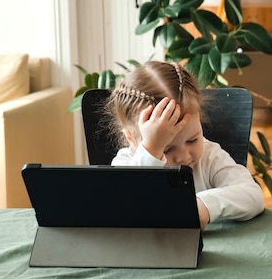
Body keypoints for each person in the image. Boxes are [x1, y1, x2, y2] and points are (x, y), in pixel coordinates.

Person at [108, 60, 264, 229]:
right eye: (166, 149)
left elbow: (252, 194)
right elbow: (123, 206)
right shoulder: (126, 162)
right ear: (132, 140)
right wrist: (151, 152)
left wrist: (204, 206)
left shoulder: (210, 156)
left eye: (192, 140)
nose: (183, 156)